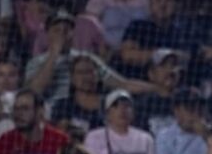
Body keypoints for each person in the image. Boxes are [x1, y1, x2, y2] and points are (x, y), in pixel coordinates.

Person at [25, 9, 154, 105]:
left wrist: (156, 88)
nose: (63, 34)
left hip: (83, 111)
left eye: (67, 29)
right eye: (57, 30)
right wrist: (54, 55)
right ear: (48, 34)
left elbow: (122, 84)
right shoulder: (36, 62)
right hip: (50, 113)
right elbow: (34, 92)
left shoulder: (87, 58)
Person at [83, 89, 156, 154]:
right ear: (107, 113)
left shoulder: (145, 138)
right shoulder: (94, 137)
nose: (122, 110)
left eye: (127, 106)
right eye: (116, 106)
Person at [49, 53, 105, 140]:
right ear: (72, 78)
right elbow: (60, 133)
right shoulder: (63, 105)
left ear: (98, 76)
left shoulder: (110, 104)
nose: (86, 77)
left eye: (90, 71)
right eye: (80, 72)